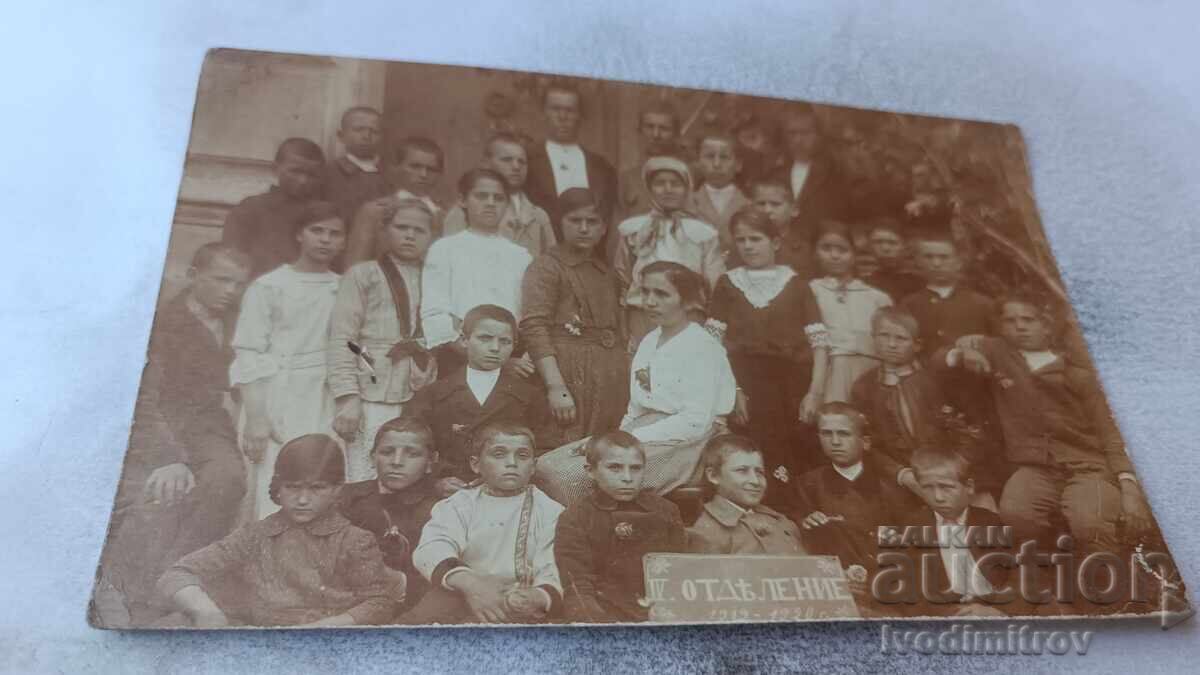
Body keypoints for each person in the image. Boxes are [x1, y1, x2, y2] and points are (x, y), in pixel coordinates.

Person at [91, 243, 252, 627]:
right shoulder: (160, 324)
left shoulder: (242, 321)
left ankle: (176, 578)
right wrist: (169, 456)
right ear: (194, 275)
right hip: (163, 427)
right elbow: (144, 399)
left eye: (238, 284)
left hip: (214, 426)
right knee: (163, 492)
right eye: (221, 280)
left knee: (226, 480)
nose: (230, 291)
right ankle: (128, 590)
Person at [936, 293, 1153, 554]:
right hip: (1036, 466)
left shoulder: (1077, 369)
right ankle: (1054, 569)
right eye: (1011, 320)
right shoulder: (999, 352)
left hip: (1088, 465)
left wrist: (1129, 486)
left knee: (1089, 522)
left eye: (1029, 319)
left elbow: (1111, 432)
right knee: (1017, 514)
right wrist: (961, 353)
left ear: (1048, 325)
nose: (1020, 326)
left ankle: (1111, 582)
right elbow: (938, 359)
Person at [536, 262, 736, 506]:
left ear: (686, 301)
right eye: (646, 292)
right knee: (547, 465)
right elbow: (636, 406)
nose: (650, 302)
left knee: (572, 476)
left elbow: (695, 421)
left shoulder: (703, 347)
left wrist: (630, 439)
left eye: (662, 294)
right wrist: (617, 438)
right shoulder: (651, 340)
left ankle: (594, 534)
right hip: (645, 430)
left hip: (690, 441)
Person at [156, 434, 401, 627]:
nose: (303, 499)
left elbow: (379, 602)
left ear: (337, 490)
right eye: (293, 487)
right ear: (278, 488)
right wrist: (206, 612)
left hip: (325, 639)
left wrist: (327, 626)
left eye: (316, 488)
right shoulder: (254, 535)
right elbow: (178, 573)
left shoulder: (354, 540)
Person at [231, 202, 345, 519]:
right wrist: (256, 417)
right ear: (299, 235)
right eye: (317, 231)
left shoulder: (343, 288)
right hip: (275, 393)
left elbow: (351, 346)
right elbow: (249, 351)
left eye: (335, 234)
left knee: (317, 474)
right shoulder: (270, 286)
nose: (325, 240)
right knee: (273, 478)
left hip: (324, 394)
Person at [707, 208, 829, 496]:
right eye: (741, 240)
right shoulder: (727, 284)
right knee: (749, 452)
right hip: (745, 384)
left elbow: (820, 345)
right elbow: (712, 345)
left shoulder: (797, 285)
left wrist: (815, 393)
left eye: (756, 238)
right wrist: (732, 390)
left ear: (775, 242)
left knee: (793, 454)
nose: (748, 246)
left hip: (791, 386)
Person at [406, 422, 564, 624]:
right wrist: (472, 584)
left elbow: (552, 563)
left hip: (519, 599)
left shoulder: (550, 511)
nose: (512, 463)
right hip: (460, 591)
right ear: (475, 464)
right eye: (499, 454)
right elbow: (433, 547)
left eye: (522, 456)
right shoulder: (458, 505)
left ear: (533, 466)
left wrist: (538, 596)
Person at [327, 198, 437, 481]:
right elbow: (343, 338)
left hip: (420, 386)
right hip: (372, 389)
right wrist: (347, 398)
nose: (410, 235)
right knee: (367, 471)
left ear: (431, 237)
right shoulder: (363, 275)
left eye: (419, 230)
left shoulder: (438, 277)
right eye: (401, 227)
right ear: (385, 230)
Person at [520, 188, 629, 449]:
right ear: (560, 223)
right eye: (575, 221)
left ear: (604, 228)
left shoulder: (608, 273)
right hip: (568, 372)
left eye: (592, 222)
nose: (584, 228)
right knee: (565, 446)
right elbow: (534, 327)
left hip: (609, 373)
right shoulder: (547, 266)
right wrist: (556, 386)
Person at [554, 431, 687, 622]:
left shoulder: (665, 511)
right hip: (607, 615)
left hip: (661, 613)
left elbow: (679, 571)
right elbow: (578, 585)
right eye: (615, 468)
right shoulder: (576, 517)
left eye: (635, 468)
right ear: (590, 470)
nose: (627, 477)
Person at [402, 305, 539, 487]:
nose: (495, 348)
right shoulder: (432, 395)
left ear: (514, 346)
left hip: (507, 491)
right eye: (485, 339)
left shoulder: (529, 397)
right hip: (448, 492)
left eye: (505, 342)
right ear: (464, 340)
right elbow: (412, 446)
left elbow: (544, 449)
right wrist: (434, 481)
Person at [420, 168, 535, 375]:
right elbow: (435, 313)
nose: (490, 203)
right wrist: (486, 360)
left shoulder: (521, 256)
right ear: (463, 200)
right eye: (481, 196)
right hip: (458, 360)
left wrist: (507, 358)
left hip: (510, 358)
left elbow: (528, 315)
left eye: (498, 198)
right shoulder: (445, 249)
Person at [879, 447, 1014, 618]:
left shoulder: (991, 523)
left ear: (969, 487)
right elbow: (903, 586)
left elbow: (1022, 575)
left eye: (946, 487)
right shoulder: (912, 528)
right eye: (928, 488)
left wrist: (999, 611)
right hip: (944, 616)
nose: (938, 497)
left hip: (990, 610)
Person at [614, 156, 724, 347]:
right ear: (649, 188)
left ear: (687, 188)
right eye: (659, 183)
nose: (668, 189)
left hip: (688, 316)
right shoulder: (633, 230)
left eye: (675, 184)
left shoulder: (703, 233)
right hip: (642, 315)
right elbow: (621, 277)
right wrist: (624, 323)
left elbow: (715, 284)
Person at [339, 418, 442, 613]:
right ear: (372, 457)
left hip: (409, 608)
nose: (396, 462)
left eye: (412, 454)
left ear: (431, 461)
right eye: (387, 452)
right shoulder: (345, 499)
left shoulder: (440, 509)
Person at [792, 403, 907, 571]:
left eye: (844, 434)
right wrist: (805, 522)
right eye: (826, 433)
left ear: (865, 442)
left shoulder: (889, 486)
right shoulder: (808, 485)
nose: (835, 442)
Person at [849, 306, 944, 495]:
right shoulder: (864, 386)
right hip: (897, 476)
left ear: (917, 345)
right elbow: (866, 442)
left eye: (901, 338)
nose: (891, 344)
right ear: (873, 338)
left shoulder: (934, 380)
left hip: (944, 469)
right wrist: (901, 474)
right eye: (884, 336)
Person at [809, 219, 893, 403]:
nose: (834, 255)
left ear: (854, 254)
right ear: (815, 252)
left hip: (872, 369)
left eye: (843, 250)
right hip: (830, 372)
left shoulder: (877, 297)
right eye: (826, 248)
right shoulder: (811, 291)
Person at [526, 80, 618, 241]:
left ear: (580, 116)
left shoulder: (601, 166)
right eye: (555, 109)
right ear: (544, 112)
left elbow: (606, 217)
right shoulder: (527, 160)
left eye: (570, 110)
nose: (563, 117)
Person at [221, 138, 326, 277]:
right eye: (295, 171)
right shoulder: (251, 208)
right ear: (275, 169)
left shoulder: (325, 215)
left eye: (312, 175)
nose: (303, 180)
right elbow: (233, 258)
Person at [687, 435, 806, 555]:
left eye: (759, 472)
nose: (755, 481)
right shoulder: (707, 532)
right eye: (742, 471)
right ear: (713, 476)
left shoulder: (782, 521)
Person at [443, 132, 556, 256]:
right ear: (486, 163)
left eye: (522, 162)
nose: (516, 166)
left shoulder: (538, 215)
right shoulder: (465, 210)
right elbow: (451, 255)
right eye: (507, 160)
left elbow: (551, 262)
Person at [345, 136, 445, 265]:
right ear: (397, 167)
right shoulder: (375, 211)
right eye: (415, 166)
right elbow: (355, 266)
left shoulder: (444, 214)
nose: (423, 174)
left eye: (431, 169)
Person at [899, 231, 992, 355]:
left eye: (944, 257)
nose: (936, 264)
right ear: (918, 261)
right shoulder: (909, 305)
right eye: (929, 257)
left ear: (959, 262)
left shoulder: (982, 304)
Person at [779, 105, 850, 235]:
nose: (798, 140)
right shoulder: (776, 173)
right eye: (792, 133)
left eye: (805, 133)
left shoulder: (834, 172)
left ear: (819, 136)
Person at [324, 106, 393, 228]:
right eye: (358, 129)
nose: (366, 136)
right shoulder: (329, 172)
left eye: (375, 131)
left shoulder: (390, 174)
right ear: (341, 135)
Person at [618, 102, 681, 223]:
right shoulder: (627, 179)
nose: (656, 135)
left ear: (676, 134)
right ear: (639, 131)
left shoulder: (688, 178)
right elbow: (619, 229)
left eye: (664, 128)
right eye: (649, 127)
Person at [688, 131, 751, 252]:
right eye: (710, 156)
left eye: (724, 157)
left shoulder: (749, 204)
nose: (717, 164)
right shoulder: (686, 203)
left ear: (738, 164)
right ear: (698, 162)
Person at [748, 174, 814, 279]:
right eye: (761, 204)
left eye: (775, 204)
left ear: (794, 210)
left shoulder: (805, 248)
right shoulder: (745, 244)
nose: (767, 210)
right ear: (751, 207)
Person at [861, 216, 923, 303]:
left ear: (905, 246)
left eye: (892, 243)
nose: (885, 248)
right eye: (878, 242)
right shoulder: (863, 284)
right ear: (869, 246)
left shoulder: (920, 284)